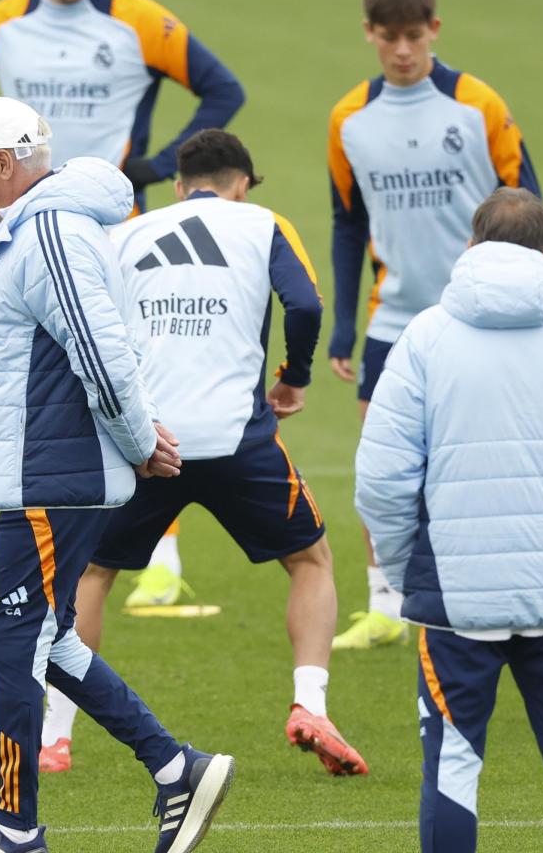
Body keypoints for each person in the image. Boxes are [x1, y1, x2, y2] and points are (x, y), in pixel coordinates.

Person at [0, 95, 232, 853]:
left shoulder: (49, 233)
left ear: (4, 163)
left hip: (54, 475)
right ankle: (177, 768)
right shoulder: (44, 228)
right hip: (50, 471)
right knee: (48, 636)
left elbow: (100, 350)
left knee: (13, 642)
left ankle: (16, 829)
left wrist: (138, 441)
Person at [0, 0, 246, 608]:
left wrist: (151, 167)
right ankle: (28, 534)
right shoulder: (2, 25)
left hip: (117, 222)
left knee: (126, 364)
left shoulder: (138, 21)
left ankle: (159, 553)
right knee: (35, 378)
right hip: (26, 218)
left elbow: (223, 89)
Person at [39, 130, 366, 777]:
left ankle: (56, 736)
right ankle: (310, 704)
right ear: (242, 183)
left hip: (146, 440)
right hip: (237, 439)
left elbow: (85, 318)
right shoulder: (263, 223)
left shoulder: (127, 232)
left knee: (92, 574)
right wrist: (294, 377)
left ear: (179, 184)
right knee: (310, 560)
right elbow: (304, 304)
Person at [356, 189, 543, 853]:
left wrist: (408, 572)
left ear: (471, 245)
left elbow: (381, 478)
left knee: (454, 766)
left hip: (455, 599)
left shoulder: (426, 336)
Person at [327, 0, 541, 652]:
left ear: (435, 30)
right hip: (392, 322)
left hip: (481, 315)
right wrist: (343, 324)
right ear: (369, 33)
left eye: (414, 37)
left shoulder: (478, 105)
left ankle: (501, 585)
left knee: (485, 457)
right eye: (389, 37)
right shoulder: (349, 119)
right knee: (380, 464)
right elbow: (347, 223)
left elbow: (530, 206)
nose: (402, 51)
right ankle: (384, 604)